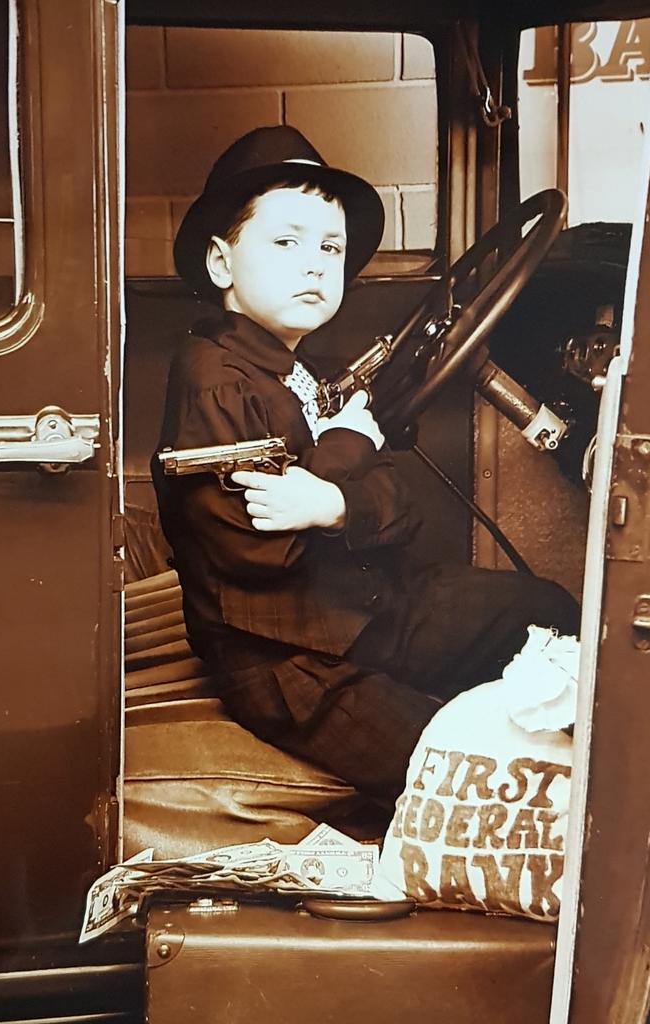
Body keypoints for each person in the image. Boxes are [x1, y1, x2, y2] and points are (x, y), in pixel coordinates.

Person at [152, 125, 580, 803]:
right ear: (220, 264)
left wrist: (338, 503)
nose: (316, 266)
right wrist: (344, 463)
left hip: (368, 611)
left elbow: (398, 506)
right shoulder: (214, 379)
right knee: (461, 771)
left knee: (548, 611)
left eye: (330, 248)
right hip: (292, 663)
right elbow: (266, 553)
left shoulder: (302, 371)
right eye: (286, 243)